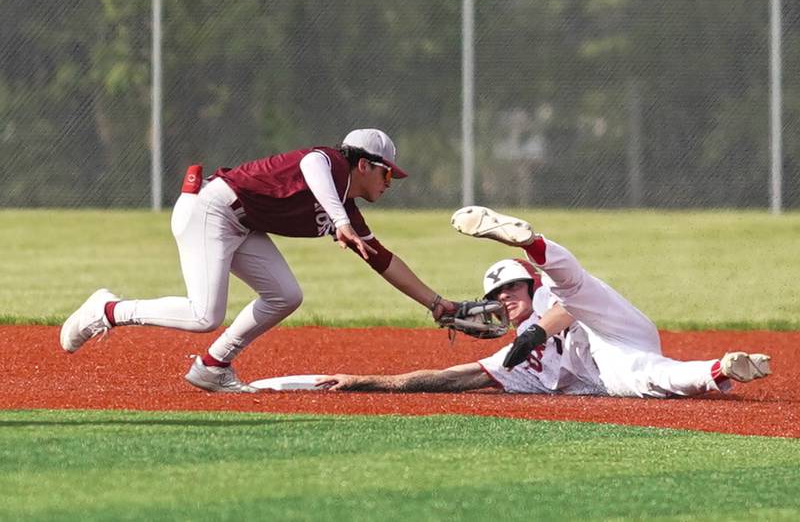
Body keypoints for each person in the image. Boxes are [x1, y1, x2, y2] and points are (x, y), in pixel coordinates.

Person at [60, 129, 456, 393]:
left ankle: (213, 366)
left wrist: (437, 304)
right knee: (204, 315)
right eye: (388, 175)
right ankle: (107, 310)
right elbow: (311, 163)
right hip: (211, 210)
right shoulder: (331, 163)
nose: (390, 184)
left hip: (241, 224)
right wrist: (338, 220)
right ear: (365, 165)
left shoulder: (347, 210)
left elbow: (383, 260)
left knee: (285, 294)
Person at [318, 206, 771, 396]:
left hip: (611, 323)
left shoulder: (545, 299)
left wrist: (533, 331)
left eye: (512, 288)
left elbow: (564, 308)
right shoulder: (515, 357)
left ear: (528, 286)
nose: (505, 298)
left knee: (575, 285)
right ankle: (723, 368)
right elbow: (456, 377)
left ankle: (532, 244)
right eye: (497, 295)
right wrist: (369, 382)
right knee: (644, 377)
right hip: (610, 364)